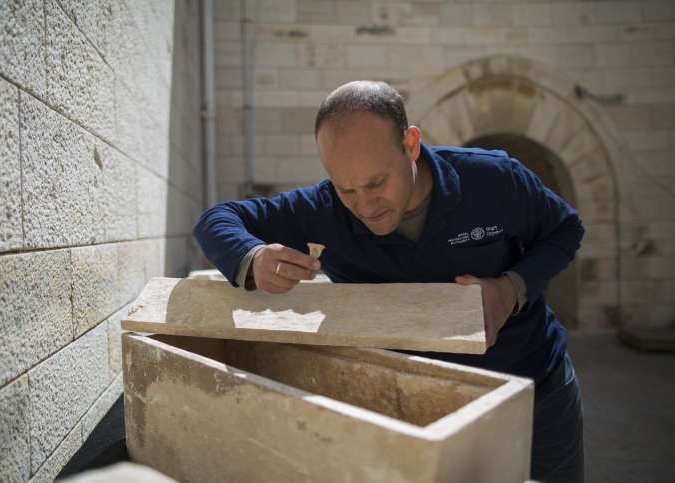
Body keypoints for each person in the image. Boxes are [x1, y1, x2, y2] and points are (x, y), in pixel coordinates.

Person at [194, 81, 585, 483]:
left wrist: (512, 287)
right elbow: (216, 220)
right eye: (347, 189)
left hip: (537, 393)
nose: (365, 205)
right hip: (411, 411)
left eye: (377, 183)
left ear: (411, 144)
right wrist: (253, 257)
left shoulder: (494, 178)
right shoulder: (323, 210)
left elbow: (566, 228)